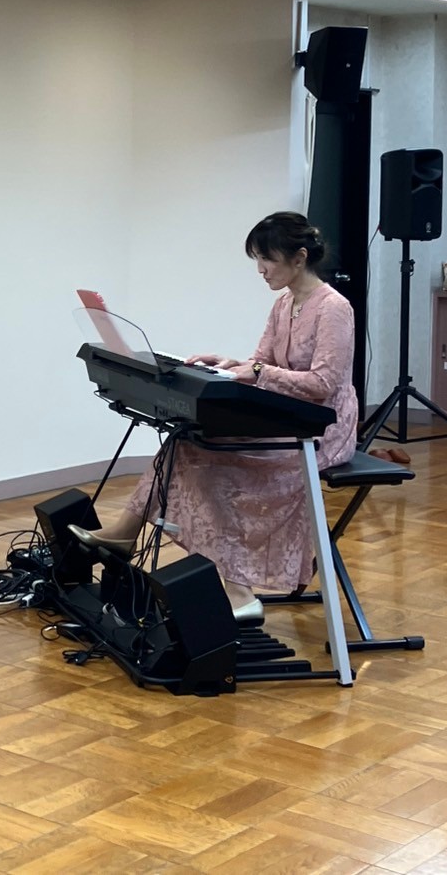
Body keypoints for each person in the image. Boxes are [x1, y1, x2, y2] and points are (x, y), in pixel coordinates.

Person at [71, 211, 359, 619]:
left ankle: (237, 590)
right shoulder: (284, 304)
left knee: (211, 469)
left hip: (323, 428)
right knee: (186, 443)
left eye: (267, 259)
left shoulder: (334, 308)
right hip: (288, 415)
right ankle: (129, 533)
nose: (261, 270)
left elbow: (322, 383)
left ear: (299, 258)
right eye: (257, 259)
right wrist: (228, 365)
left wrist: (256, 371)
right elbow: (261, 362)